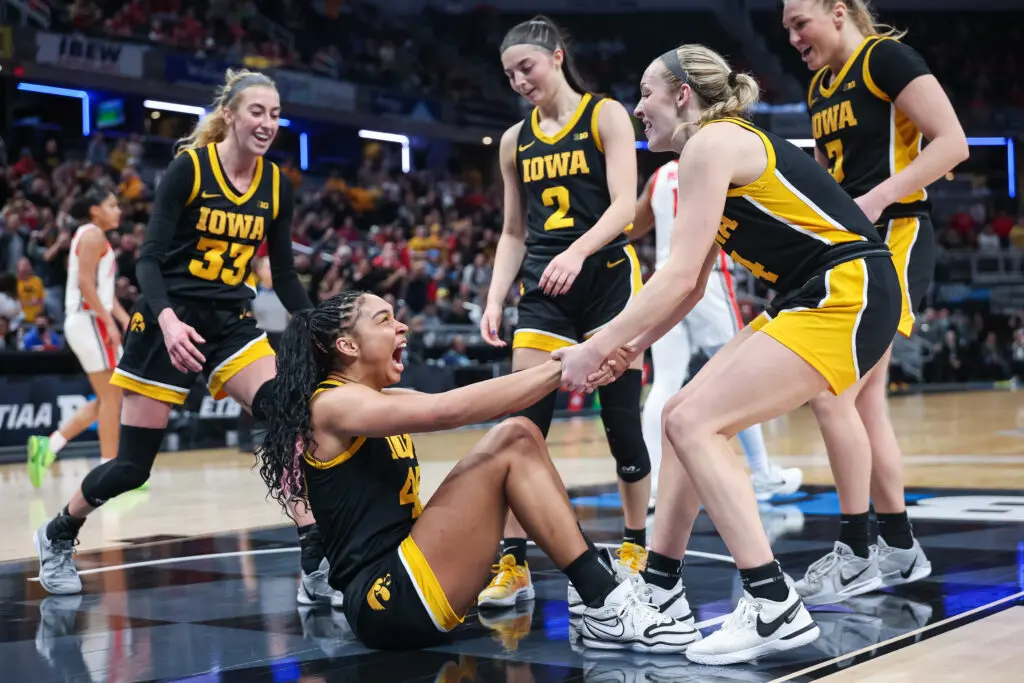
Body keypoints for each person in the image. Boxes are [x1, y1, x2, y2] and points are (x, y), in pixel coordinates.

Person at [554, 44, 906, 665]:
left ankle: (773, 605)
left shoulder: (710, 145)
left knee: (694, 420)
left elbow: (677, 272)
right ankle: (662, 591)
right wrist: (631, 345)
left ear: (683, 96)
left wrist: (599, 343)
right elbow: (690, 285)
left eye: (647, 94)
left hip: (844, 289)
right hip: (822, 290)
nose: (638, 108)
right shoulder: (711, 150)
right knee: (680, 413)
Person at [33, 69, 339, 607]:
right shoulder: (189, 169)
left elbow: (285, 273)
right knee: (132, 468)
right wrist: (169, 320)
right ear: (230, 115)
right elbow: (148, 259)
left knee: (287, 415)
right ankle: (57, 533)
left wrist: (315, 322)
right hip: (166, 319)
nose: (268, 123)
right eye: (257, 112)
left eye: (274, 113)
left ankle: (313, 558)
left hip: (229, 319)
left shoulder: (276, 184)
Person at [255, 289, 700, 652]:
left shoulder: (379, 399)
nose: (401, 326)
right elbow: (446, 411)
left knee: (521, 433)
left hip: (408, 575)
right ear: (347, 346)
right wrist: (567, 366)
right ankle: (604, 601)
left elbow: (491, 396)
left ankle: (599, 590)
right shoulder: (331, 403)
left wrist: (574, 364)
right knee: (513, 439)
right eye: (384, 319)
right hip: (386, 599)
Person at [781, 0, 967, 604]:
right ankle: (897, 547)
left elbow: (953, 143)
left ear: (838, 12)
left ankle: (860, 551)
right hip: (850, 246)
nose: (791, 37)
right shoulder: (818, 85)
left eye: (798, 22)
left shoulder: (884, 57)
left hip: (898, 237)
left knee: (838, 391)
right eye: (784, 28)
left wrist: (880, 198)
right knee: (863, 405)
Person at [478, 15, 651, 609]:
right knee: (520, 429)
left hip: (605, 279)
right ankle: (513, 564)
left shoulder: (605, 115)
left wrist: (578, 252)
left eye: (526, 67)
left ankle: (634, 545)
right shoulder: (513, 140)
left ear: (555, 57)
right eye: (509, 75)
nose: (519, 81)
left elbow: (625, 205)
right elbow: (511, 231)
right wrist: (495, 295)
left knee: (622, 426)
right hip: (545, 287)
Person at [631, 161, 803, 508]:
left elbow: (632, 227)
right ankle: (763, 472)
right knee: (738, 375)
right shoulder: (723, 163)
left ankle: (652, 485)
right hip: (708, 278)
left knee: (664, 382)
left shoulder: (659, 175)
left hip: (664, 283)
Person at [27, 188, 128, 487]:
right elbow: (85, 284)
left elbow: (102, 291)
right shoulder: (92, 235)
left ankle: (49, 446)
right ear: (95, 210)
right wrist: (109, 322)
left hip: (91, 319)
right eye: (112, 205)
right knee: (112, 398)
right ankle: (110, 472)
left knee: (108, 397)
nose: (119, 210)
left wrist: (122, 318)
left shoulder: (94, 236)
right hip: (89, 320)